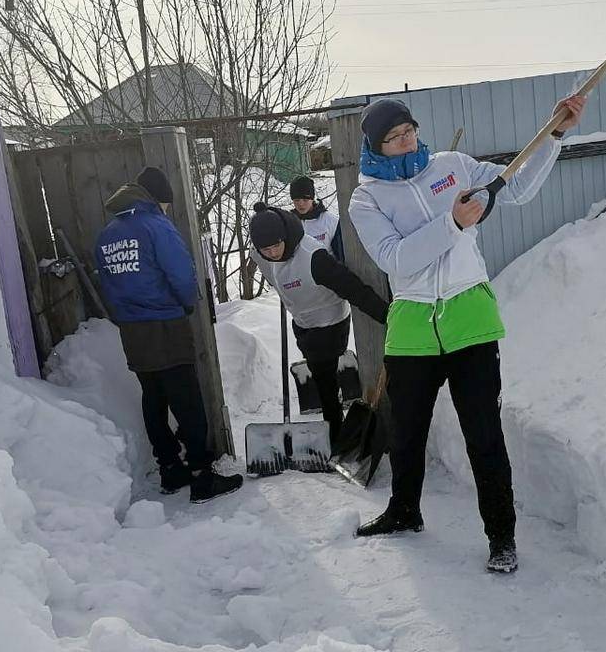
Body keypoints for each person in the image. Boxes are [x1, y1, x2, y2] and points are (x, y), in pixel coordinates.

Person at [347, 93, 587, 573]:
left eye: (409, 130)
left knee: (484, 434)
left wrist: (555, 135)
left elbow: (513, 189)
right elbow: (395, 259)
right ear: (376, 146)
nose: (406, 140)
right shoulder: (367, 198)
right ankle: (404, 510)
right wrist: (452, 223)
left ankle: (502, 537)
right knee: (407, 430)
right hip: (414, 323)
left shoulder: (451, 166)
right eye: (393, 137)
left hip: (469, 318)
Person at [94, 166, 243, 503]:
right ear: (158, 200)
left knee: (153, 397)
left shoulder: (108, 234)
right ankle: (203, 475)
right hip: (165, 323)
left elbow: (107, 283)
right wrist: (187, 305)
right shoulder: (155, 225)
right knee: (186, 399)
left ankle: (171, 470)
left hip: (132, 329)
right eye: (166, 204)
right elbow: (181, 274)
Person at [248, 202, 388, 446]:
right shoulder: (259, 253)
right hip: (303, 323)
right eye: (265, 249)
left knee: (325, 379)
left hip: (330, 322)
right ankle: (335, 418)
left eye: (275, 246)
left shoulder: (314, 258)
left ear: (286, 237)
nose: (271, 253)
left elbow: (353, 289)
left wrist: (387, 315)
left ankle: (335, 433)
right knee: (322, 374)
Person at [289, 175, 344, 261]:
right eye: (297, 200)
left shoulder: (331, 221)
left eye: (305, 200)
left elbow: (341, 256)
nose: (301, 204)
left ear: (312, 198)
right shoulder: (288, 223)